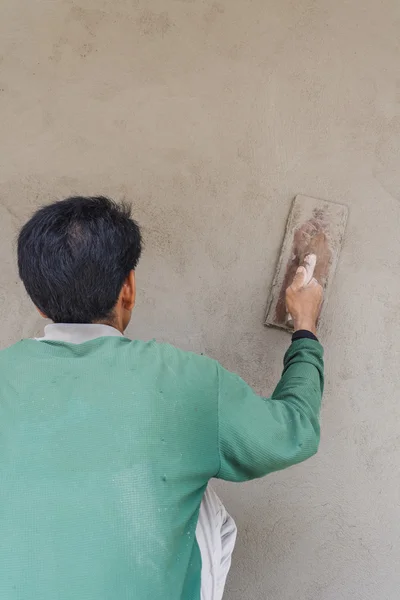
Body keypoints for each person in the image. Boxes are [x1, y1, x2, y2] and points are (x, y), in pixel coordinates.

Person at [0, 196, 323, 600]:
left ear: (38, 301)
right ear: (128, 288)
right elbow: (294, 430)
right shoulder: (189, 381)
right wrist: (305, 328)